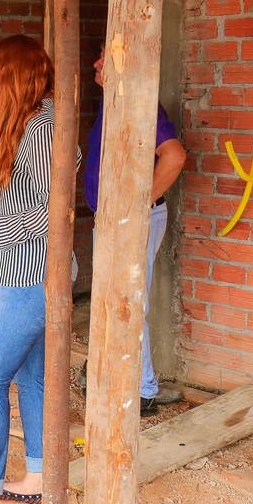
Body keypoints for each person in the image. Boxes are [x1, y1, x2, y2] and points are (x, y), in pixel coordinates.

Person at [0, 34, 78, 504]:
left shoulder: (44, 128)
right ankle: (40, 477)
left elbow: (57, 211)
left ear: (11, 79)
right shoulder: (32, 123)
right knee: (31, 379)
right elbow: (30, 198)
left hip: (29, 277)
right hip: (22, 271)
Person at [84, 47, 188, 416]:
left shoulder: (139, 104)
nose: (96, 63)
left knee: (128, 301)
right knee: (115, 300)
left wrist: (137, 208)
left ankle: (142, 391)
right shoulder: (113, 100)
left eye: (104, 57)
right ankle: (122, 379)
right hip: (113, 219)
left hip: (130, 221)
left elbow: (175, 156)